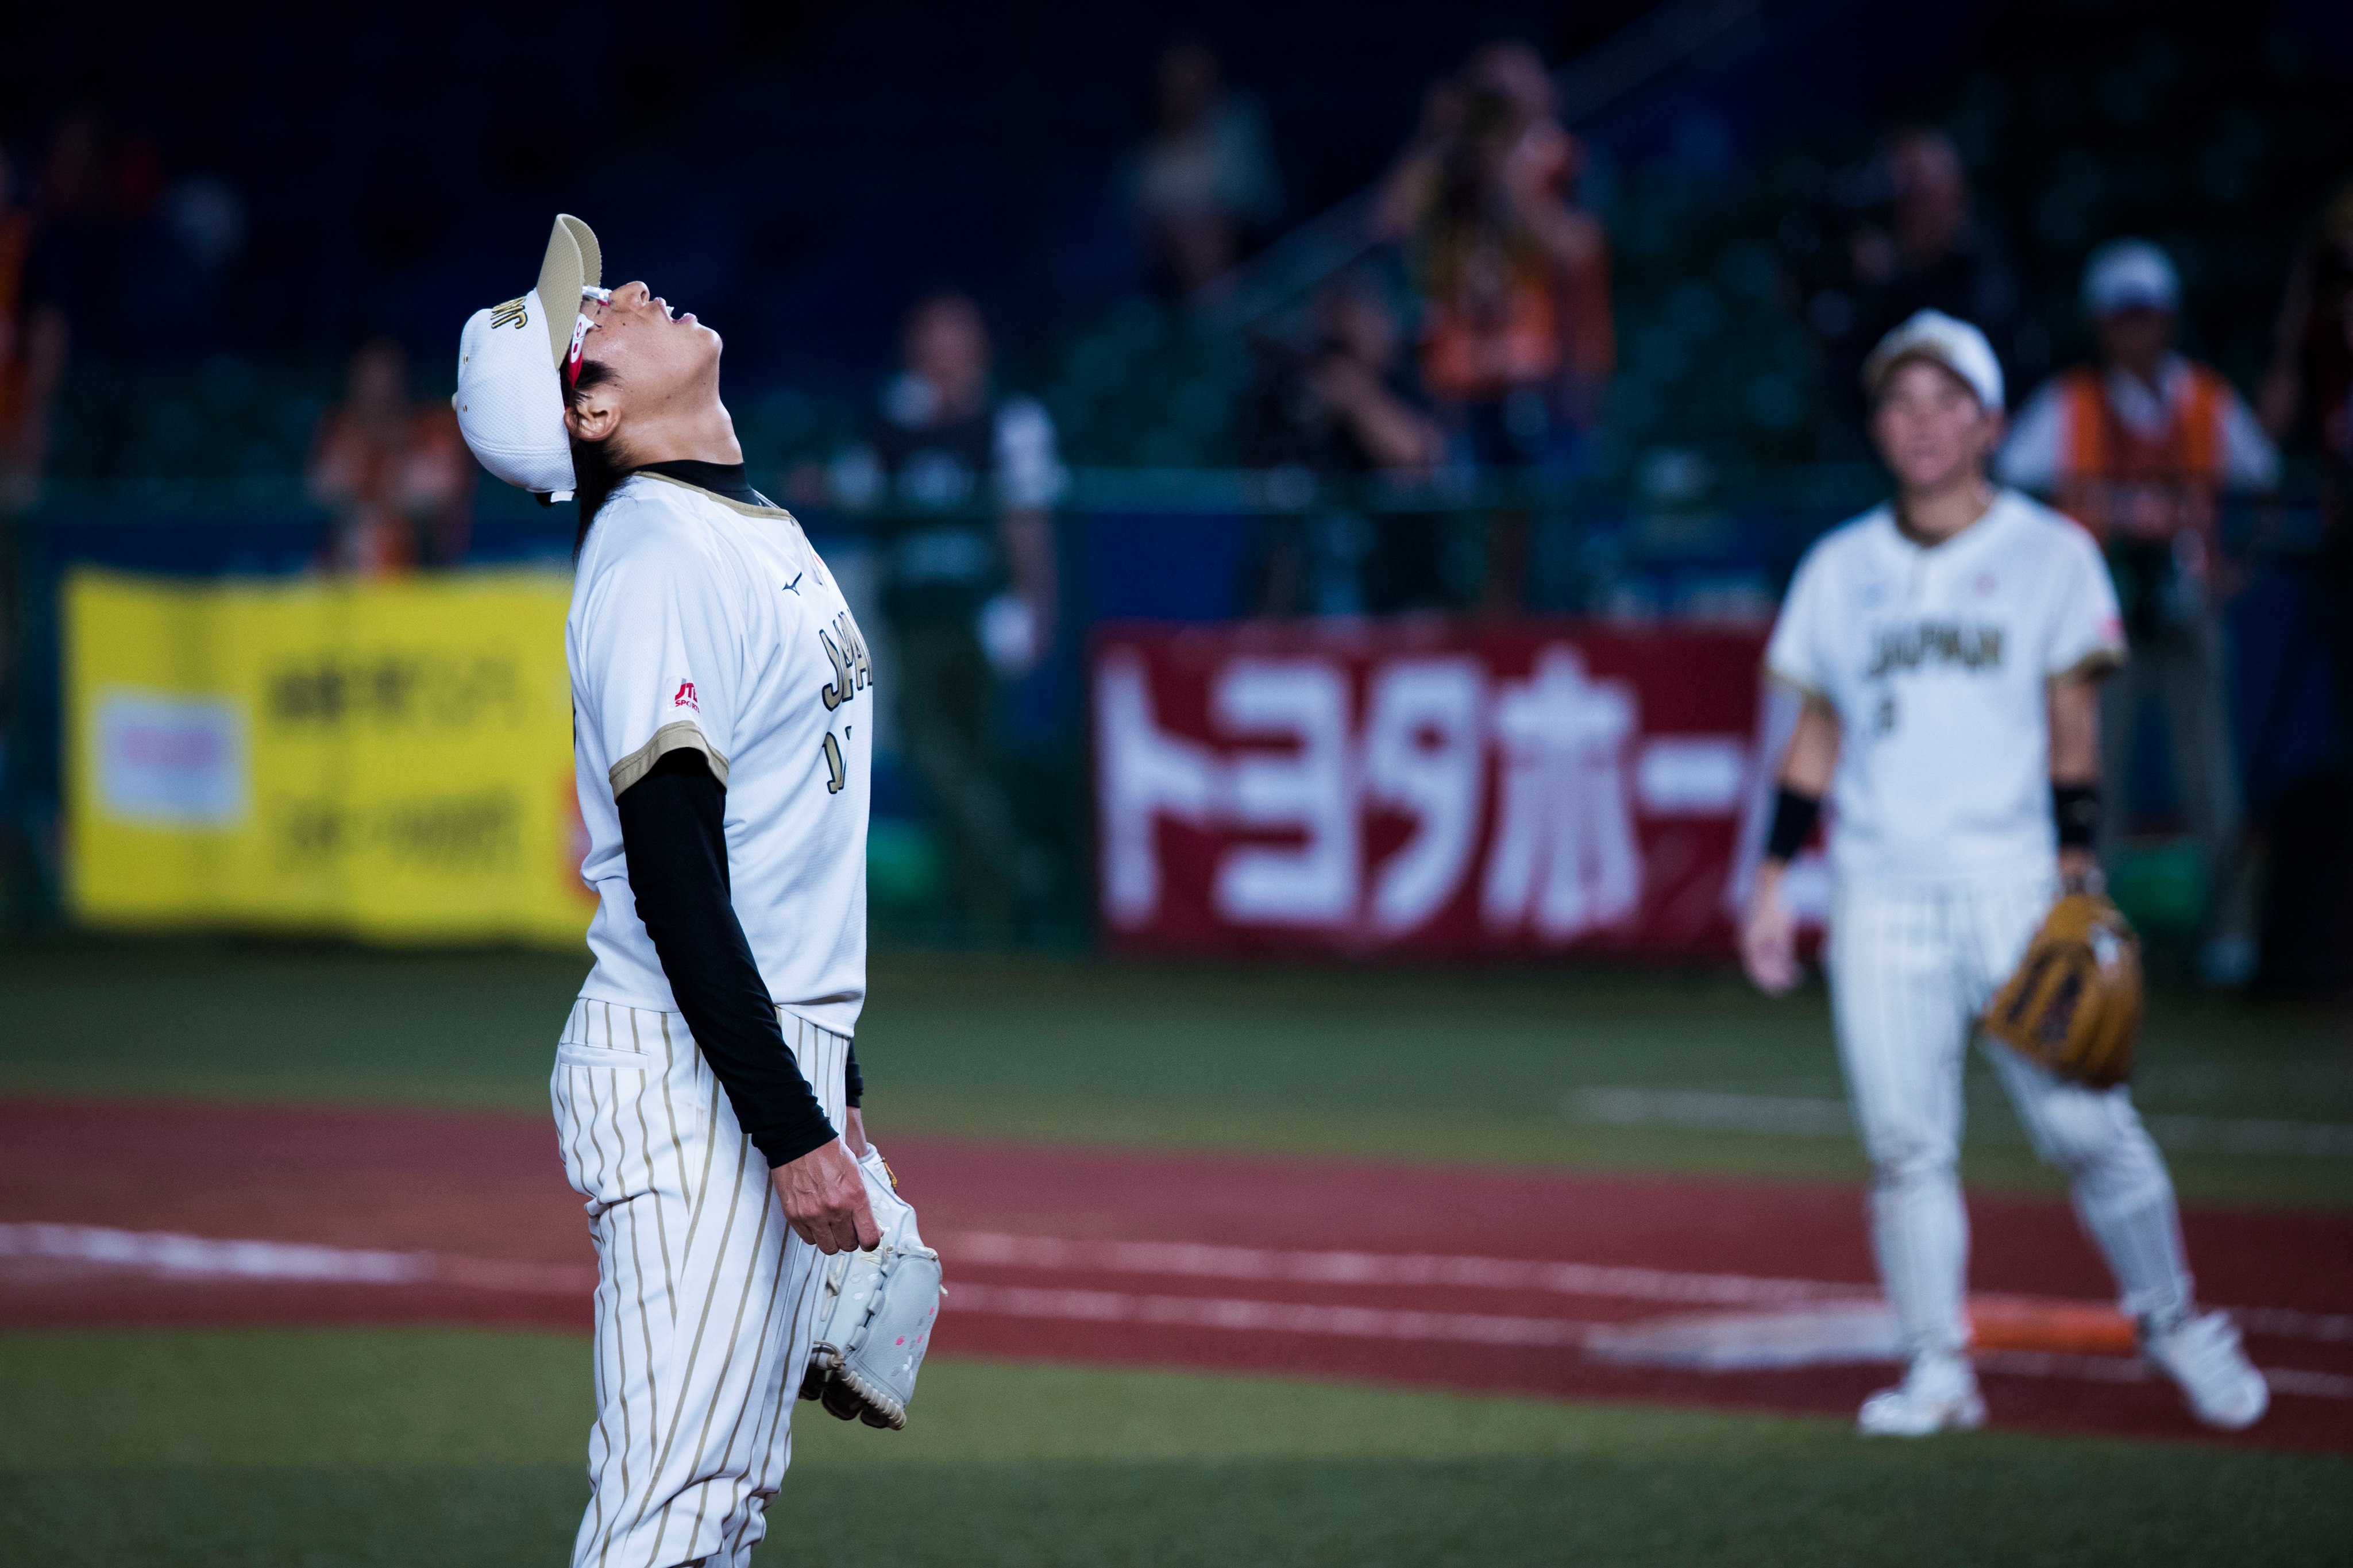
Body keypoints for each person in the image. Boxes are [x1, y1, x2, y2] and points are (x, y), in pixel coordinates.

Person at [1741, 310, 2268, 1438]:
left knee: (2085, 1125)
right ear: (1878, 424)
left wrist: (2077, 871)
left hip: (2009, 882)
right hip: (1878, 890)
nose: (1922, 425)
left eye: (1945, 403)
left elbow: (2070, 724)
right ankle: (1936, 1366)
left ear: (1987, 421)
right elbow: (1816, 735)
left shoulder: (2048, 554)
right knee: (1903, 1144)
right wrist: (1773, 876)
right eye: (1900, 404)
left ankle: (2172, 1320)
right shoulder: (1839, 569)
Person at [454, 215, 889, 1567]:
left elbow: (780, 850)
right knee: (670, 1515)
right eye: (596, 313)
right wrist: (791, 1127)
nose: (632, 288)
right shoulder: (654, 558)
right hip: (692, 1081)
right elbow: (676, 880)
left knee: (720, 1507)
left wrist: (840, 1098)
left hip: (754, 1058)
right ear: (591, 405)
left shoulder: (726, 527)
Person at [1998, 240, 2278, 984]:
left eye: (2148, 316)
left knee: (2210, 776)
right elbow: (2006, 490)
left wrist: (2233, 567)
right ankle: (2091, 936)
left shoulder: (2206, 400)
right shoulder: (2071, 403)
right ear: (2100, 324)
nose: (2137, 332)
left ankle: (2230, 935)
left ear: (2169, 319)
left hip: (2187, 611)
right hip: (2099, 619)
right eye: (2124, 318)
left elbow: (2270, 486)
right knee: (2095, 780)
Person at [828, 293, 1062, 933]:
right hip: (912, 615)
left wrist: (1037, 604)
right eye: (933, 339)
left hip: (981, 612)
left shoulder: (1009, 421)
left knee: (983, 752)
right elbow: (853, 499)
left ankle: (985, 903)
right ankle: (1016, 870)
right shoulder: (884, 422)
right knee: (930, 747)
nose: (945, 354)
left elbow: (1026, 522)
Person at [1372, 41, 1610, 612]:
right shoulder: (1448, 168)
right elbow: (1388, 223)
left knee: (1547, 546)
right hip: (1462, 385)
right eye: (1485, 92)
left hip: (1545, 386)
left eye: (1508, 92)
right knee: (1469, 547)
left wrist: (1509, 177)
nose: (1495, 106)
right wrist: (1433, 137)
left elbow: (1578, 250)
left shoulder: (1564, 162)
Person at [1239, 274, 1445, 615]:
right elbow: (1263, 477)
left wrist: (1357, 398)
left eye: (1363, 318)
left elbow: (1417, 459)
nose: (1351, 334)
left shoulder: (1408, 378)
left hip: (1398, 575)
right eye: (1335, 322)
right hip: (1308, 572)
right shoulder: (1288, 387)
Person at [1808, 128, 2019, 425]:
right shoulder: (1866, 274)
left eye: (1918, 194)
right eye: (1897, 193)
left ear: (1954, 192)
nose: (1907, 210)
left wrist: (1899, 279)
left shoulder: (1987, 271)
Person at [1129, 38, 1283, 298]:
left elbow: (1258, 201)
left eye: (1194, 74)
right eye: (1174, 79)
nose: (1184, 87)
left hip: (1254, 254)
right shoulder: (1144, 158)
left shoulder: (1239, 123)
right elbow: (1143, 227)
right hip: (1175, 276)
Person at [308, 337, 474, 573]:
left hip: (429, 563)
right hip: (348, 565)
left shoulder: (433, 424)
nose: (379, 388)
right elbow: (323, 487)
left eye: (387, 374)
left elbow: (438, 491)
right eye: (368, 375)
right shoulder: (340, 426)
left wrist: (383, 482)